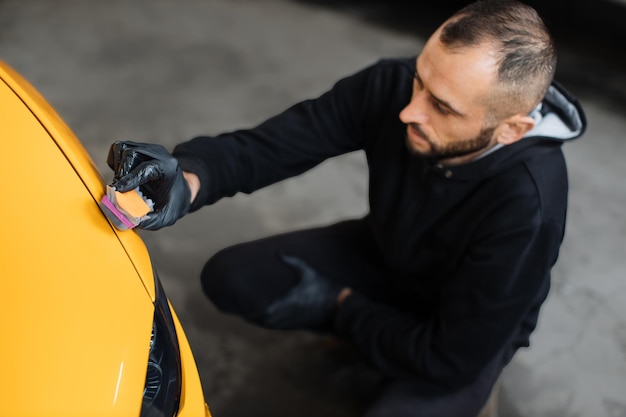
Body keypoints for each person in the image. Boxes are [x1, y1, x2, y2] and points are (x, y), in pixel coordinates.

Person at [106, 1, 586, 416]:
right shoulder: (393, 88)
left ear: (512, 130)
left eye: (442, 107)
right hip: (386, 254)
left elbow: (452, 355)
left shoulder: (529, 203)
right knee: (235, 278)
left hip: (461, 333)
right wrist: (187, 180)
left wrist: (343, 309)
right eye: (419, 78)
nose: (409, 110)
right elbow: (272, 146)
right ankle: (376, 335)